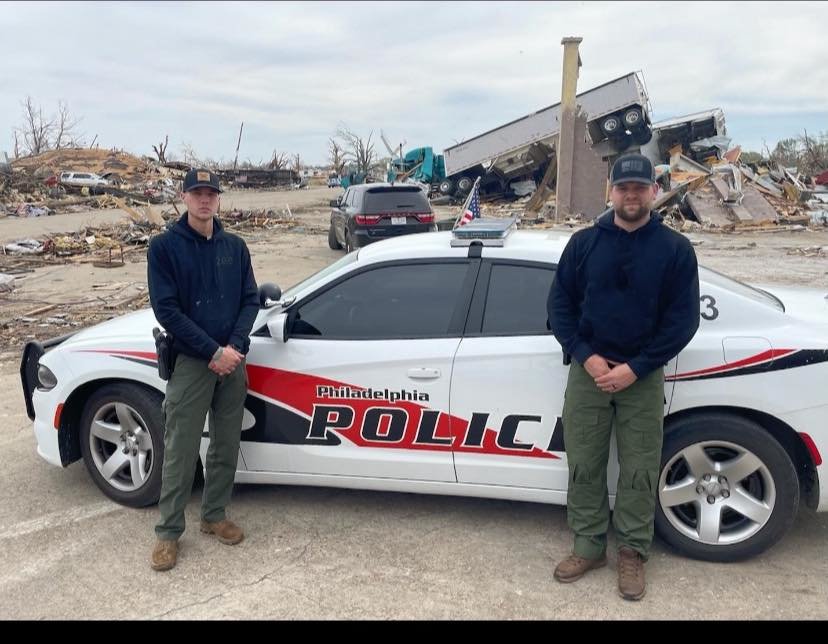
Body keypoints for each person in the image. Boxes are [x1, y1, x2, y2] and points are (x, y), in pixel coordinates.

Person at [547, 152, 700, 600]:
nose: (631, 195)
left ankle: (632, 552)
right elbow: (559, 307)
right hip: (587, 372)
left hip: (642, 376)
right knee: (585, 464)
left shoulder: (675, 250)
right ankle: (589, 544)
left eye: (640, 188)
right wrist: (585, 356)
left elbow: (682, 321)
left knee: (638, 468)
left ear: (654, 192)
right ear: (610, 191)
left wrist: (637, 367)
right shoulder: (583, 244)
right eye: (623, 187)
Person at [147, 168, 259, 571]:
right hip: (194, 363)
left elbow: (250, 301)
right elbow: (167, 311)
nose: (204, 199)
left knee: (226, 442)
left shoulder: (235, 247)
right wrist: (212, 350)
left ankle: (214, 515)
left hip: (232, 361)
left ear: (218, 199)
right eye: (197, 192)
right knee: (179, 449)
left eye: (211, 193)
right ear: (183, 197)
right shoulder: (164, 248)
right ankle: (168, 533)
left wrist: (235, 347)